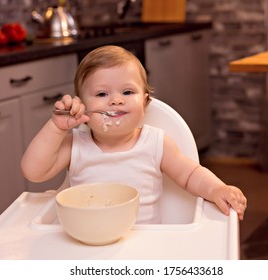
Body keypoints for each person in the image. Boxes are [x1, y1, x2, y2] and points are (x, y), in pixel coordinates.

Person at [21, 45, 247, 223]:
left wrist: (217, 188)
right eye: (101, 93)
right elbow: (34, 172)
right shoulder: (75, 145)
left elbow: (191, 175)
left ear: (145, 103)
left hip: (144, 244)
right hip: (85, 241)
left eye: (127, 92)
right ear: (83, 106)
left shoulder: (156, 143)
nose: (116, 100)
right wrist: (57, 127)